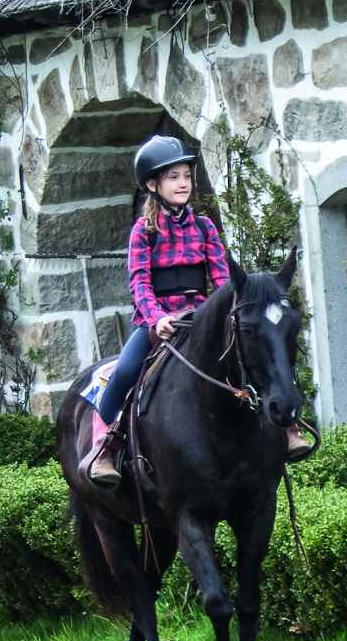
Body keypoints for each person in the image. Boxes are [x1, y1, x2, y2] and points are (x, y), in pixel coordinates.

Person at [85, 136, 312, 487]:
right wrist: (158, 318)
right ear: (152, 184)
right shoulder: (142, 232)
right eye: (173, 177)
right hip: (157, 324)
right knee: (124, 372)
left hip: (202, 321)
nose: (183, 183)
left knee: (254, 357)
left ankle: (288, 428)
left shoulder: (204, 227)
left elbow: (223, 281)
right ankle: (106, 447)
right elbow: (139, 284)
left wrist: (219, 312)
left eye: (186, 176)